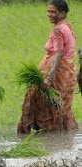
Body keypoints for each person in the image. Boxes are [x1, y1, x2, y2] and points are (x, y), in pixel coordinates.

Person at [18, 0, 78, 133]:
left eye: (52, 12)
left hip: (57, 74)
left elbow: (58, 54)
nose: (49, 14)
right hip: (68, 75)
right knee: (64, 107)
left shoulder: (58, 30)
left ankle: (52, 139)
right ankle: (67, 138)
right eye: (48, 11)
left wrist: (49, 78)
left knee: (47, 106)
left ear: (62, 13)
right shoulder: (67, 26)